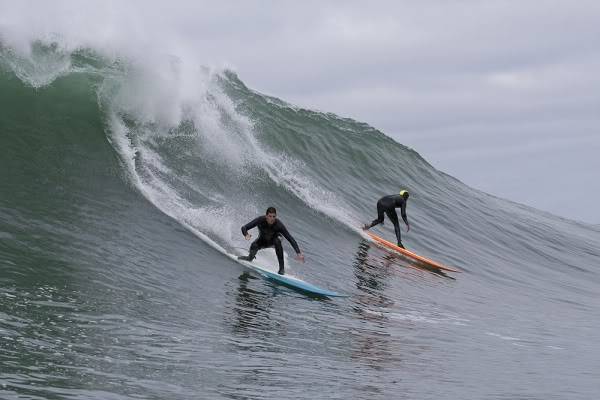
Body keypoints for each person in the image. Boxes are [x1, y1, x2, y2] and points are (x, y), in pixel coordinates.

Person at [238, 207, 305, 275]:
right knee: (254, 245)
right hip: (262, 241)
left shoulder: (279, 224)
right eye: (270, 216)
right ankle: (249, 258)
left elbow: (290, 238)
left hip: (273, 241)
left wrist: (298, 253)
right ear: (266, 216)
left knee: (277, 241)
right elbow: (244, 227)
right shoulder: (260, 220)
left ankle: (281, 269)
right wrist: (246, 234)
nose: (272, 218)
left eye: (274, 216)